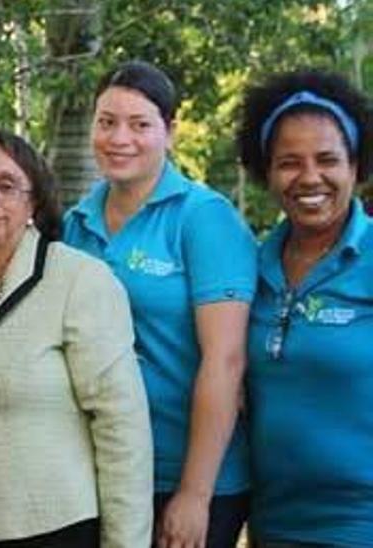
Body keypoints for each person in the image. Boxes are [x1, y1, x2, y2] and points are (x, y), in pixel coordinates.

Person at [0, 129, 152, 548]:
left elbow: (123, 428)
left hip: (56, 532)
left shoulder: (80, 281)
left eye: (7, 186)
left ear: (33, 203)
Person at [62, 60, 257, 548]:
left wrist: (195, 493)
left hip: (184, 472)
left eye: (140, 124)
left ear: (170, 131)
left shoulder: (204, 218)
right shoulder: (75, 223)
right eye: (106, 122)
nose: (119, 138)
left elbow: (226, 360)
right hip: (103, 468)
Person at [235, 70, 373, 547]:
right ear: (266, 172)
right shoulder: (251, 268)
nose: (310, 177)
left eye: (328, 159)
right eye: (289, 162)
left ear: (355, 166)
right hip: (272, 524)